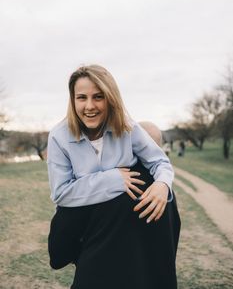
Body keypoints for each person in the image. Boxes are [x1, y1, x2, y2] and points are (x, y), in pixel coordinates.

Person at [47, 64, 180, 289]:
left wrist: (161, 184)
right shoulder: (59, 137)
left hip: (121, 220)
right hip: (83, 221)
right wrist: (113, 179)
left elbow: (159, 161)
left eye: (98, 97)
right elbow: (61, 192)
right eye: (82, 97)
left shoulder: (128, 127)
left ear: (110, 98)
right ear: (72, 100)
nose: (89, 106)